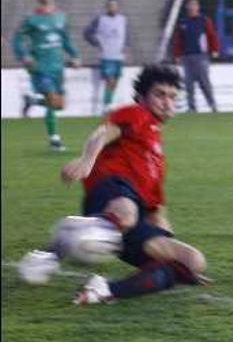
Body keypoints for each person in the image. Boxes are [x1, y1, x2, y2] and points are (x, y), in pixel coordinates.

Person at [17, 65, 210, 304]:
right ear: (142, 97)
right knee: (127, 212)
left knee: (192, 260)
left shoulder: (158, 159)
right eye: (160, 94)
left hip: (128, 224)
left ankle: (103, 291)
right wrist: (86, 160)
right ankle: (57, 248)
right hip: (110, 191)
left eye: (172, 96)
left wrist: (174, 256)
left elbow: (157, 212)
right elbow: (103, 133)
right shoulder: (138, 114)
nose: (167, 102)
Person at [13, 0, 80, 151]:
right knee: (51, 99)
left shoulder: (61, 16)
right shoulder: (31, 18)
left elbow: (66, 40)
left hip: (58, 67)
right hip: (40, 67)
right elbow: (17, 39)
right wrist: (25, 56)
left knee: (59, 105)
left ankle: (32, 100)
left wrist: (75, 56)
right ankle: (55, 140)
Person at [172, 0, 220, 113]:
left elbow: (212, 35)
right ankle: (192, 107)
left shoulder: (204, 20)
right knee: (189, 83)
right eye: (190, 5)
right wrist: (177, 54)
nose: (193, 8)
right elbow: (179, 40)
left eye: (195, 5)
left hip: (201, 55)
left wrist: (214, 49)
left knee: (204, 82)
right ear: (187, 7)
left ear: (198, 7)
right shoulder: (183, 22)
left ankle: (212, 104)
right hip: (187, 56)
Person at [84, 0, 128, 113]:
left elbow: (125, 34)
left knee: (115, 81)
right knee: (110, 80)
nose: (112, 7)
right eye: (110, 5)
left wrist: (125, 45)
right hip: (106, 56)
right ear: (106, 7)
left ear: (118, 6)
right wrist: (96, 42)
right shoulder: (100, 19)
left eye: (114, 5)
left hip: (118, 56)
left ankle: (109, 103)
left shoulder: (122, 19)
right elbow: (87, 33)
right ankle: (107, 106)